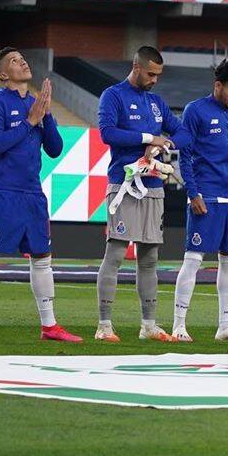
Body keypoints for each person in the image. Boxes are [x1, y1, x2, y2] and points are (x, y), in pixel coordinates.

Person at [0, 48, 81, 343]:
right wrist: (30, 121)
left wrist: (47, 115)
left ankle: (50, 326)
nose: (23, 61)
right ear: (4, 74)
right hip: (3, 192)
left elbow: (54, 149)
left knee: (42, 259)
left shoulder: (37, 104)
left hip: (33, 195)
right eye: (15, 61)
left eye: (22, 58)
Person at [94, 45, 183, 342]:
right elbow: (107, 133)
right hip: (124, 184)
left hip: (154, 187)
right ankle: (104, 326)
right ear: (136, 67)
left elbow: (180, 132)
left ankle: (149, 325)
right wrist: (148, 137)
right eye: (151, 73)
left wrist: (162, 145)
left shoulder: (157, 102)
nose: (155, 79)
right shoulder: (113, 95)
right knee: (116, 254)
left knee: (149, 259)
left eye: (158, 75)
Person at [170, 59, 228, 343]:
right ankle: (179, 325)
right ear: (217, 85)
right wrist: (193, 193)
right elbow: (186, 155)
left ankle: (225, 326)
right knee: (193, 260)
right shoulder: (196, 110)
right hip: (206, 196)